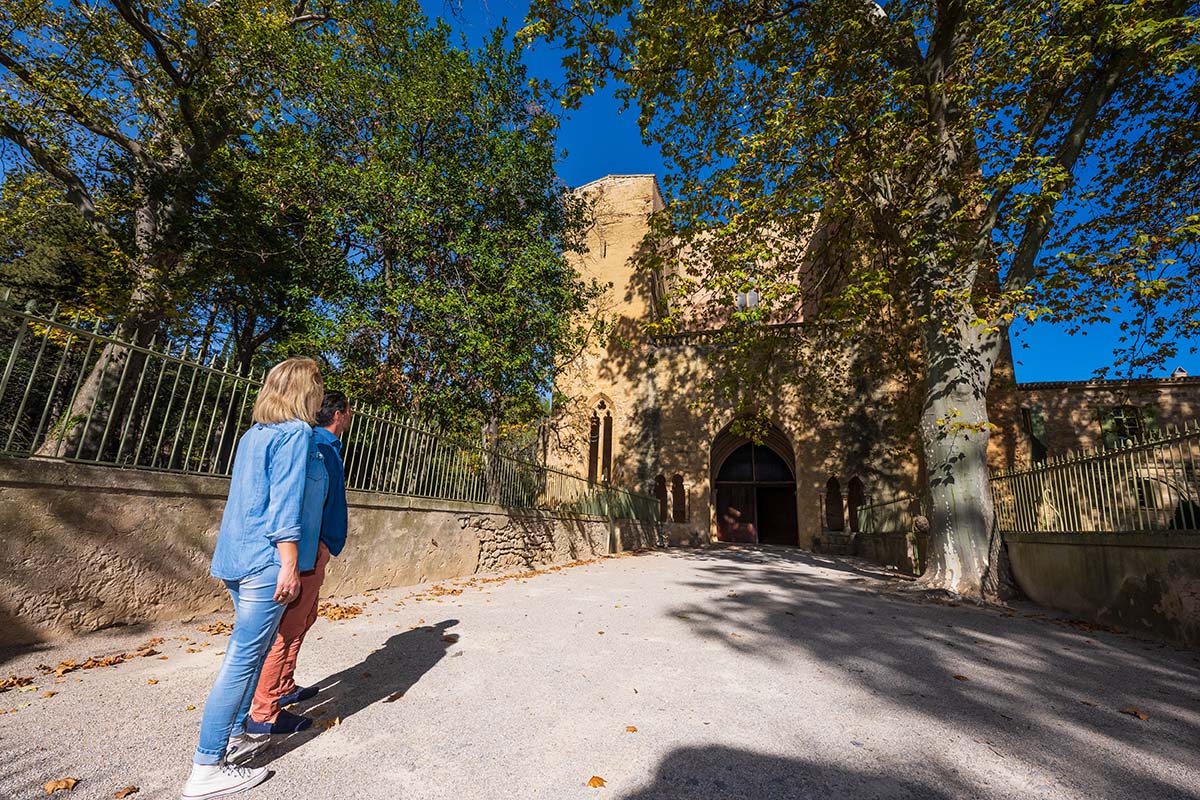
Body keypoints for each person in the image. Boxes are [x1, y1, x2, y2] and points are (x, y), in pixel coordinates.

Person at [182, 357, 328, 800]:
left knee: (252, 651)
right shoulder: (296, 434)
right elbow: (284, 504)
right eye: (317, 386)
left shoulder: (253, 435)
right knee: (243, 660)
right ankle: (207, 767)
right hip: (266, 562)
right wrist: (288, 563)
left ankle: (230, 738)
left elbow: (248, 499)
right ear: (307, 391)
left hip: (235, 557)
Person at [244, 390, 351, 735]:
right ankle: (264, 710)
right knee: (288, 628)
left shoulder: (325, 447)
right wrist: (316, 545)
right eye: (348, 413)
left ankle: (284, 686)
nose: (350, 418)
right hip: (310, 549)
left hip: (317, 547)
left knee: (304, 619)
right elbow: (305, 501)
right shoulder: (316, 446)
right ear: (338, 414)